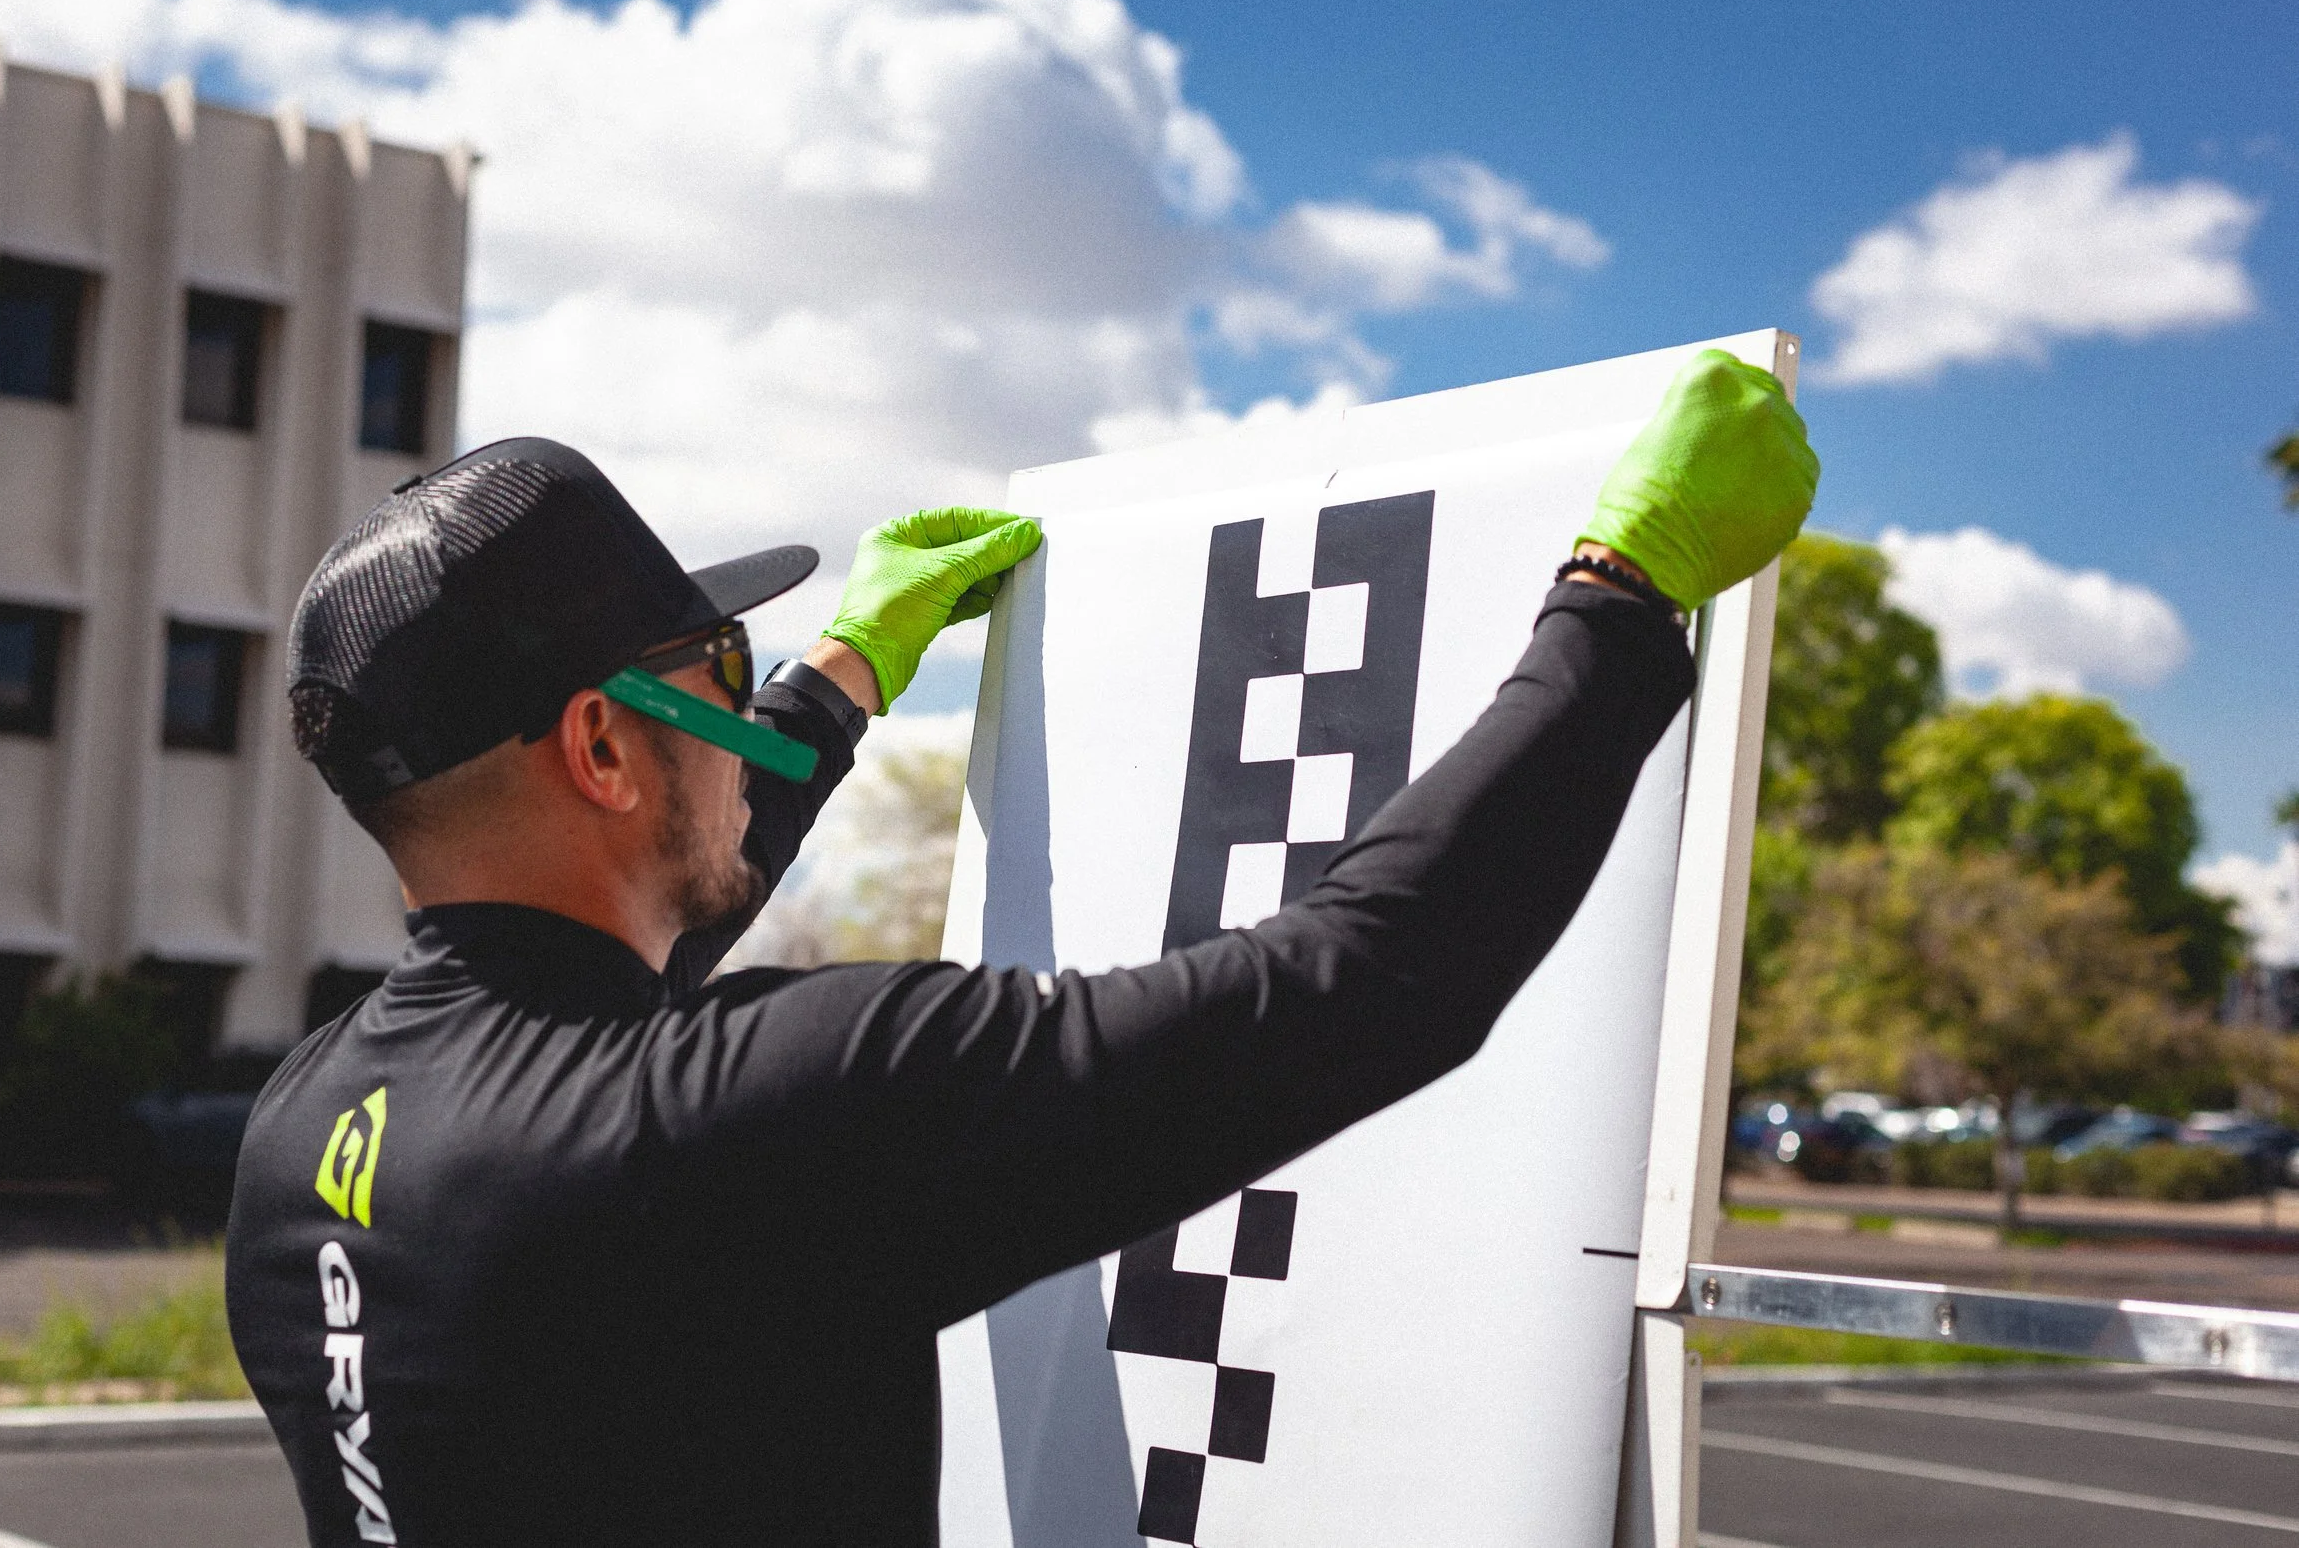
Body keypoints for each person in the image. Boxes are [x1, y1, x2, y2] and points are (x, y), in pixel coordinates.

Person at [226, 348, 1817, 1547]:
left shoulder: (305, 1138)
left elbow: (622, 967)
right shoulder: (780, 1107)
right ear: (600, 743)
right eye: (721, 664)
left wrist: (837, 679)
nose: (745, 692)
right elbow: (1356, 981)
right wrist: (1620, 603)